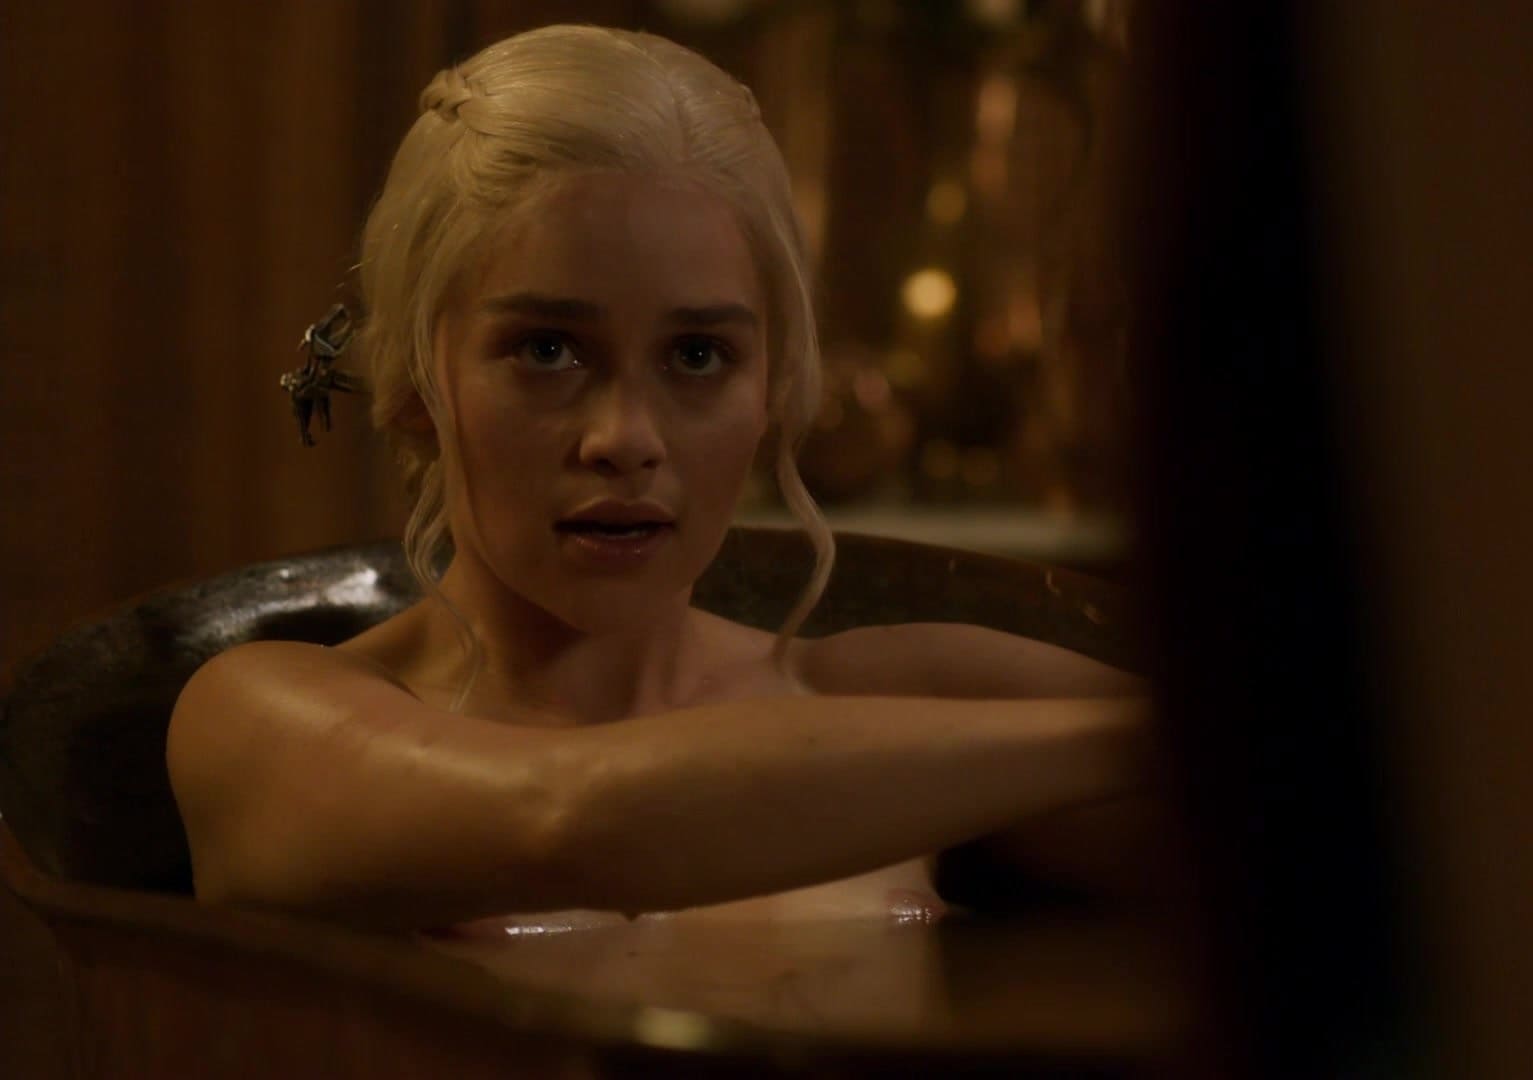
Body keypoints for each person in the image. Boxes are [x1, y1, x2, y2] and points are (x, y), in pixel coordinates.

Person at [166, 24, 1147, 936]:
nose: (626, 440)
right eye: (547, 349)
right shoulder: (257, 716)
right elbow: (570, 819)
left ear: (774, 391)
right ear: (414, 384)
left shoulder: (918, 689)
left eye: (697, 356)